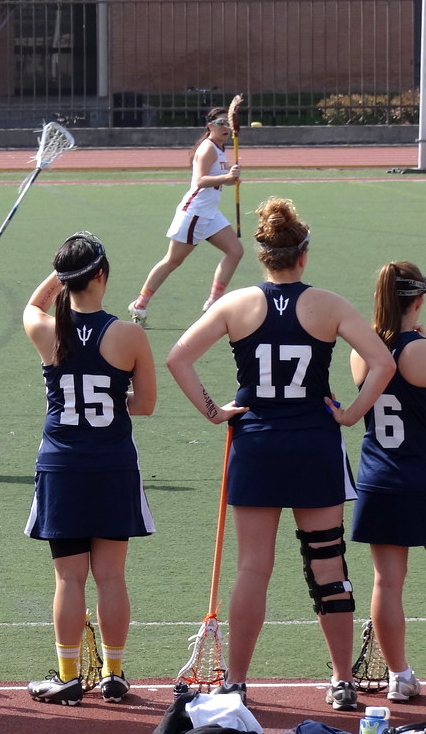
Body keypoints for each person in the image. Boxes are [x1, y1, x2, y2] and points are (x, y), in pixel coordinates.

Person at [166, 197, 395, 711]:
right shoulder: (329, 304)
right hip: (314, 444)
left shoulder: (236, 305)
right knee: (327, 563)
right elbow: (381, 363)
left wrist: (213, 411)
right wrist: (351, 414)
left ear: (264, 256)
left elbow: (178, 357)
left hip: (257, 445)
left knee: (253, 567)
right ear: (303, 254)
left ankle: (237, 684)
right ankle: (342, 681)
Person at [21, 231, 157, 706]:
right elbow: (145, 406)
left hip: (62, 467)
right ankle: (115, 674)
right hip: (113, 465)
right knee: (112, 576)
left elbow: (33, 305)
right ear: (102, 276)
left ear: (66, 279)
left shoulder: (46, 331)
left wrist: (60, 274)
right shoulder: (128, 335)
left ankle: (68, 676)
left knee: (68, 578)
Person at [350, 261, 426, 703]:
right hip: (421, 474)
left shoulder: (362, 350)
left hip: (380, 478)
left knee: (386, 582)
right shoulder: (419, 351)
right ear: (417, 301)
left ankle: (399, 676)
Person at [127, 107, 243, 327]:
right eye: (220, 123)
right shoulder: (208, 148)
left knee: (235, 251)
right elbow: (200, 181)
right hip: (195, 213)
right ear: (210, 127)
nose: (225, 128)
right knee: (173, 261)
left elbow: (219, 180)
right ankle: (140, 304)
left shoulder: (221, 148)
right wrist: (227, 176)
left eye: (227, 123)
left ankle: (213, 302)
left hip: (210, 213)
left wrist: (231, 179)